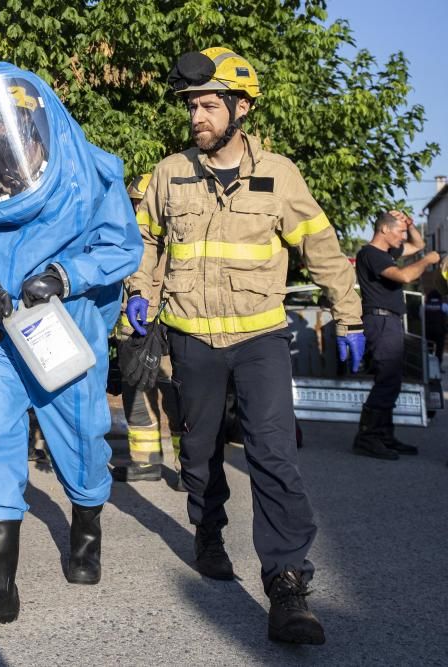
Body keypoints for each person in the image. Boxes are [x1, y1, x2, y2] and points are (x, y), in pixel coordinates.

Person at [126, 48, 365, 645]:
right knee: (201, 453)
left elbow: (322, 246)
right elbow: (145, 242)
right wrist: (139, 294)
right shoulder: (167, 173)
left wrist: (351, 317)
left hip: (260, 337)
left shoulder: (280, 175)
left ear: (241, 108)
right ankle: (207, 529)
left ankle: (286, 585)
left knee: (273, 456)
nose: (197, 117)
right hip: (191, 338)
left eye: (208, 105)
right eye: (192, 107)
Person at [0, 62, 142, 635]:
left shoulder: (89, 171)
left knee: (83, 440)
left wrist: (65, 274)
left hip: (62, 331)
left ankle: (86, 527)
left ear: (30, 115)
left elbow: (121, 245)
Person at [113, 173, 185, 490]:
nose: (138, 208)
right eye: (134, 203)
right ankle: (145, 462)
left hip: (166, 328)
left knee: (178, 397)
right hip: (134, 332)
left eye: (141, 202)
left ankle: (189, 468)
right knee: (137, 396)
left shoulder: (173, 239)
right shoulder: (127, 236)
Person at [352, 211, 440, 459]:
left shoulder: (386, 253)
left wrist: (410, 224)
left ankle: (384, 436)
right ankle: (367, 438)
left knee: (392, 380)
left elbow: (418, 244)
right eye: (399, 232)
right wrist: (427, 261)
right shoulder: (371, 254)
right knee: (387, 380)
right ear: (384, 230)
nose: (403, 237)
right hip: (380, 320)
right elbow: (403, 276)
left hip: (388, 321)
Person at [424, 289, 446, 368]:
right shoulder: (443, 306)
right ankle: (438, 368)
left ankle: (429, 369)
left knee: (429, 350)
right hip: (440, 332)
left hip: (428, 331)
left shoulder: (424, 306)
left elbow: (421, 317)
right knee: (439, 351)